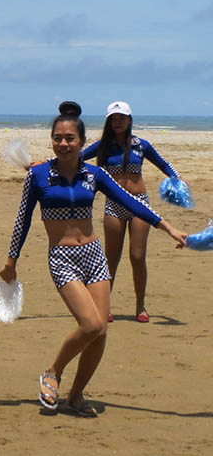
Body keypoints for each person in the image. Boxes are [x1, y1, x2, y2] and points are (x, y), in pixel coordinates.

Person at [0, 102, 186, 417]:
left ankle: (75, 397)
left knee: (101, 332)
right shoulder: (38, 176)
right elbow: (24, 219)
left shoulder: (95, 174)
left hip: (94, 255)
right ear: (52, 140)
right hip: (63, 257)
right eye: (58, 138)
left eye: (70, 138)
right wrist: (11, 261)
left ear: (82, 142)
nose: (64, 143)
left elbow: (131, 202)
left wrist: (167, 227)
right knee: (90, 324)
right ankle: (53, 372)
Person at [81, 101, 183, 323]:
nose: (117, 122)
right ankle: (104, 304)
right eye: (113, 118)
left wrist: (178, 179)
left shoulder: (141, 145)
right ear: (109, 121)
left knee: (137, 256)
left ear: (129, 120)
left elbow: (164, 164)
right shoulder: (103, 146)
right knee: (112, 258)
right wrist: (45, 164)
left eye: (121, 118)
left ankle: (140, 305)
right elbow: (73, 157)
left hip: (140, 203)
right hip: (114, 205)